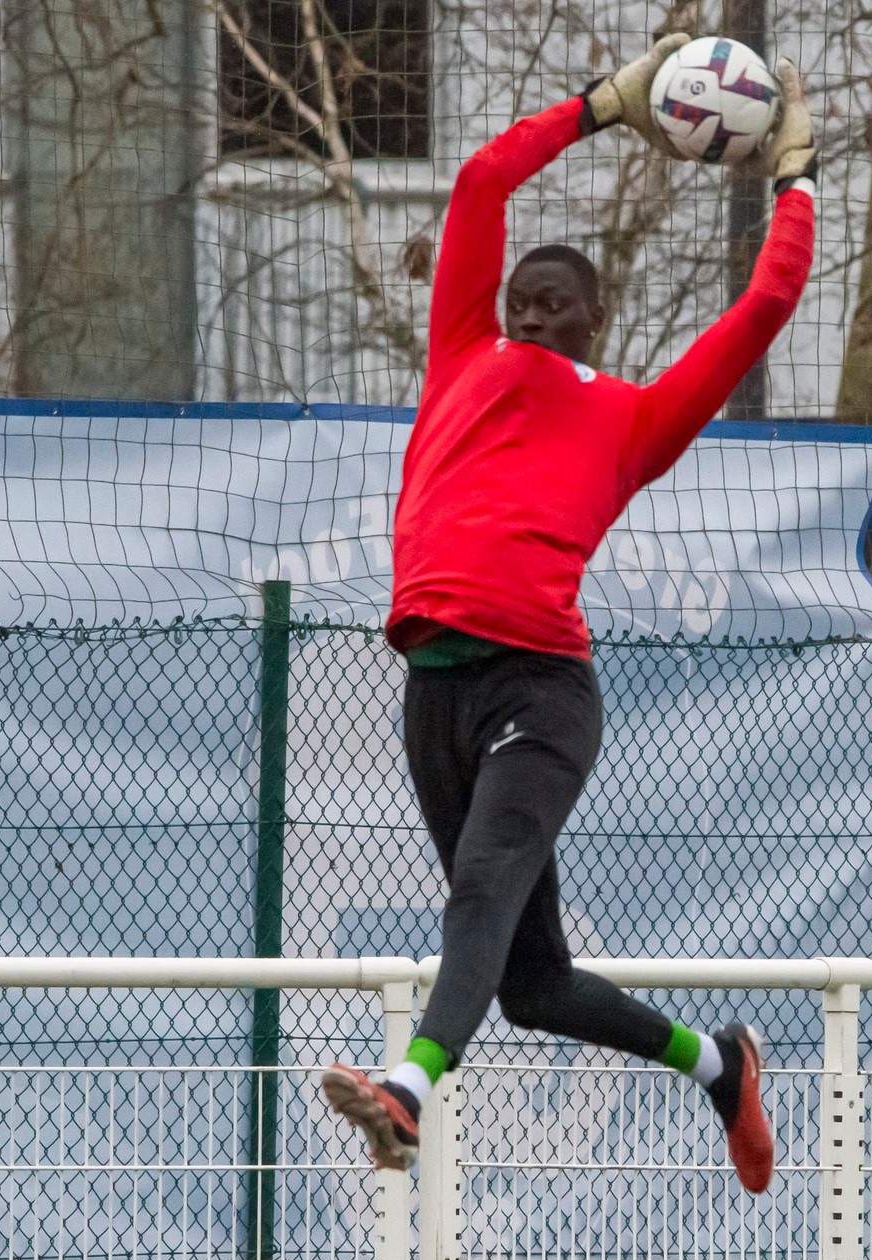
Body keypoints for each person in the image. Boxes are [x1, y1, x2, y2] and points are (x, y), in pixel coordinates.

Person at [322, 36, 817, 1195]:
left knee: (480, 890)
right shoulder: (461, 354)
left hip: (540, 688)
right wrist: (604, 105)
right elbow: (485, 180)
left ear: (598, 318)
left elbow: (769, 303)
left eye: (561, 303)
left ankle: (408, 1089)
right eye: (525, 300)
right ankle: (718, 1064)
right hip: (434, 688)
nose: (538, 314)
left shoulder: (632, 420)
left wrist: (792, 181)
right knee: (532, 985)